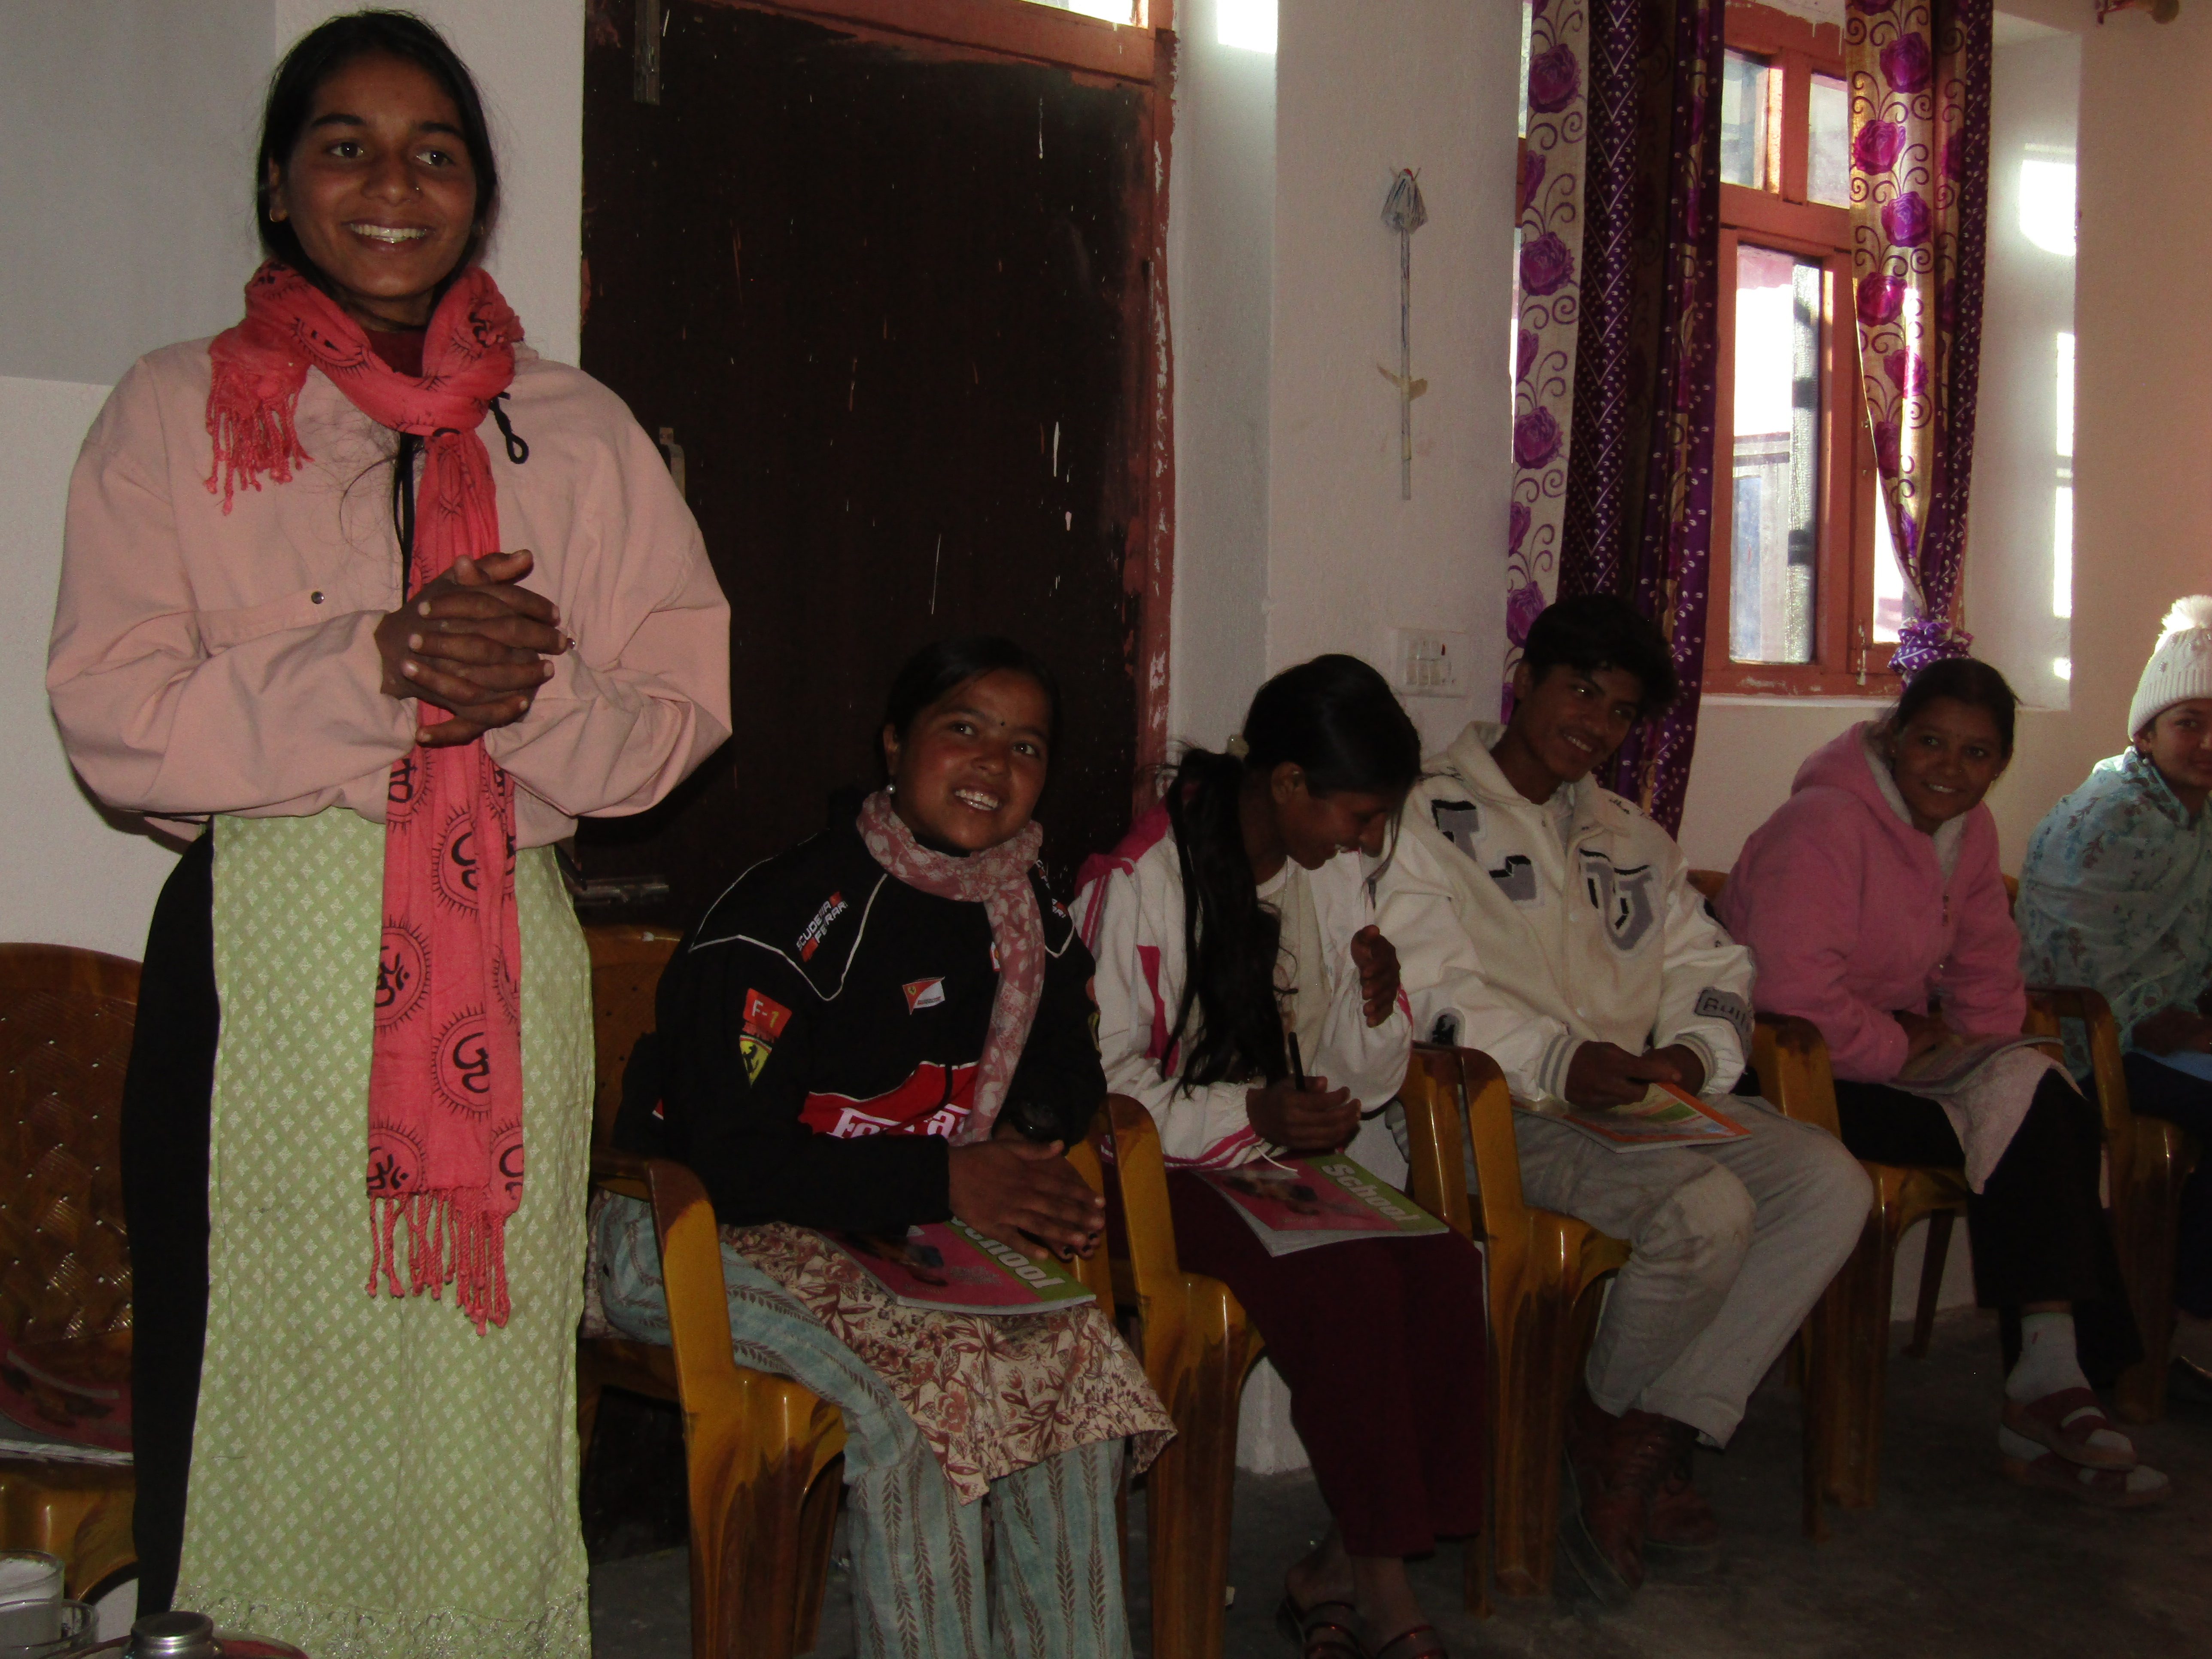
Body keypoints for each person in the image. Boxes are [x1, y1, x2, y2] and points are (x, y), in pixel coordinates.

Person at [46, 12, 732, 1650]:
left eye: (435, 150)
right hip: (258, 973)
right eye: (342, 143)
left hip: (503, 961)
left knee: (480, 1385)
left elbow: (683, 714)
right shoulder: (176, 412)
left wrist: (518, 695)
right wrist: (378, 666)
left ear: (479, 199)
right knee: (246, 1376)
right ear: (282, 187)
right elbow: (114, 715)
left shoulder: (575, 432)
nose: (390, 181)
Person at [600, 636, 1170, 1659]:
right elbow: (727, 1159)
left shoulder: (1024, 908)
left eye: (1026, 746)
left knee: (1072, 1364)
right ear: (896, 743)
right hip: (689, 1231)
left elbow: (1067, 1067)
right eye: (964, 730)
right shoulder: (788, 918)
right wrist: (952, 1176)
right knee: (916, 1408)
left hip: (893, 1231)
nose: (993, 766)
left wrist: (1025, 1147)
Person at [1383, 594, 1871, 1606]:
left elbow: (1712, 961)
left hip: (1628, 1106)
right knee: (1704, 1212)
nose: (1593, 725)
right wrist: (1559, 1061)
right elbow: (1422, 989)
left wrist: (1691, 1055)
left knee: (1827, 1182)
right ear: (1523, 679)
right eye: (1578, 691)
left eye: (1617, 712)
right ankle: (1620, 1440)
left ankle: (1629, 1430)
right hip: (1494, 1112)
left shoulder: (1626, 834)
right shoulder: (1423, 813)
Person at [1077, 655, 1486, 1659]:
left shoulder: (1331, 874)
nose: (1368, 841)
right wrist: (1252, 1109)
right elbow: (1098, 1089)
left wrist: (1374, 1004)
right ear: (1288, 784)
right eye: (1356, 815)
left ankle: (1333, 1567)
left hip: (1263, 1152)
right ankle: (1384, 1590)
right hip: (1155, 1170)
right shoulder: (1142, 877)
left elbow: (1355, 1084)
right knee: (1342, 1281)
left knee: (1439, 1262)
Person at [1723, 655, 2168, 1508]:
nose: (1948, 769)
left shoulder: (1968, 835)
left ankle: (2049, 1378)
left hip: (1890, 1066)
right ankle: (2053, 1384)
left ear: (1995, 765)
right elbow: (1785, 997)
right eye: (1929, 742)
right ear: (1892, 738)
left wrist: (1993, 1058)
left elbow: (1984, 972)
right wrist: (1910, 1052)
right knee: (2041, 1118)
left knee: (2041, 1101)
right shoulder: (1819, 823)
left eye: (1974, 755)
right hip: (1789, 1073)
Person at [2018, 597, 2212, 1392]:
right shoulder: (2104, 818)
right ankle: (2181, 1324)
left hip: (2179, 1036)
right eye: (2189, 722)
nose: (2207, 743)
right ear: (2145, 732)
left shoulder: (2200, 818)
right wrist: (2158, 1022)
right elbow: (2061, 962)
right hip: (2090, 1047)